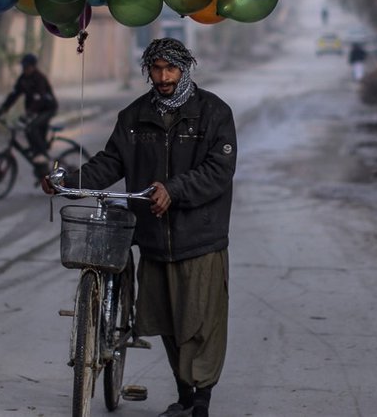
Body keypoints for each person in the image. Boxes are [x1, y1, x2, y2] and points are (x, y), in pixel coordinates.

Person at [42, 38, 236, 417]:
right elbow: (110, 162)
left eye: (170, 69)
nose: (163, 77)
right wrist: (69, 182)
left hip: (200, 238)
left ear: (185, 69)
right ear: (148, 70)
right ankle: (183, 396)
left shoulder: (214, 112)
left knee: (199, 323)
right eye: (156, 69)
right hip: (152, 240)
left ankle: (201, 401)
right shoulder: (134, 117)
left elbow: (219, 170)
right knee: (167, 322)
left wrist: (174, 190)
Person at [0, 53, 57, 177]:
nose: (25, 70)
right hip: (34, 111)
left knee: (31, 128)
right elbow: (13, 95)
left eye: (27, 67)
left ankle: (42, 155)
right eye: (23, 67)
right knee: (28, 130)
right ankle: (40, 162)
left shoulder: (39, 78)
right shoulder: (23, 79)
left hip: (47, 109)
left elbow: (39, 99)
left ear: (33, 67)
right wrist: (2, 109)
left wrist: (29, 113)